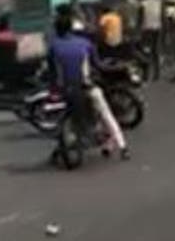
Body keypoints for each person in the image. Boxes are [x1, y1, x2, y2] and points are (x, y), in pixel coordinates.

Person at [48, 17, 130, 161]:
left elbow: (52, 72)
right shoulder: (85, 44)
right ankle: (123, 147)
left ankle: (62, 147)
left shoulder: (53, 46)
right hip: (87, 87)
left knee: (65, 116)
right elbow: (98, 65)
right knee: (106, 114)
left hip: (66, 90)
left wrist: (54, 88)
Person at [140, 0, 164, 81]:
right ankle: (157, 73)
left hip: (147, 29)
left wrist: (138, 30)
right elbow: (163, 17)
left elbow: (140, 17)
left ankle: (146, 74)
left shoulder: (143, 3)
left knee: (146, 51)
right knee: (155, 51)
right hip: (157, 28)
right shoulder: (158, 3)